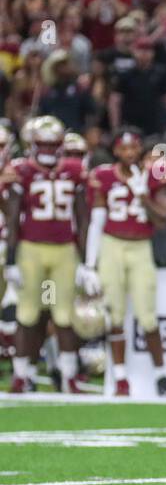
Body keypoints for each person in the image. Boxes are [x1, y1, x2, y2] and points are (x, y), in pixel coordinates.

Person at [84, 127, 166, 398]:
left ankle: (161, 377)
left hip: (140, 246)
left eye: (133, 147)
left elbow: (163, 219)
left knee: (147, 316)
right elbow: (97, 220)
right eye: (123, 148)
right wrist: (90, 263)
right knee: (114, 314)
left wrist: (143, 197)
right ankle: (121, 378)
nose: (129, 153)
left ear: (139, 149)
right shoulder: (102, 175)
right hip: (111, 244)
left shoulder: (152, 175)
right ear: (115, 150)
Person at [1, 116, 92, 393]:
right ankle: (21, 374)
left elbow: (82, 216)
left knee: (62, 314)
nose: (49, 150)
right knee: (28, 312)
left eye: (53, 145)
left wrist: (87, 261)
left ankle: (68, 376)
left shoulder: (74, 170)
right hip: (31, 249)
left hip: (64, 250)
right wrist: (14, 258)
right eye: (43, 144)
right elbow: (14, 217)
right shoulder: (22, 170)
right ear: (33, 144)